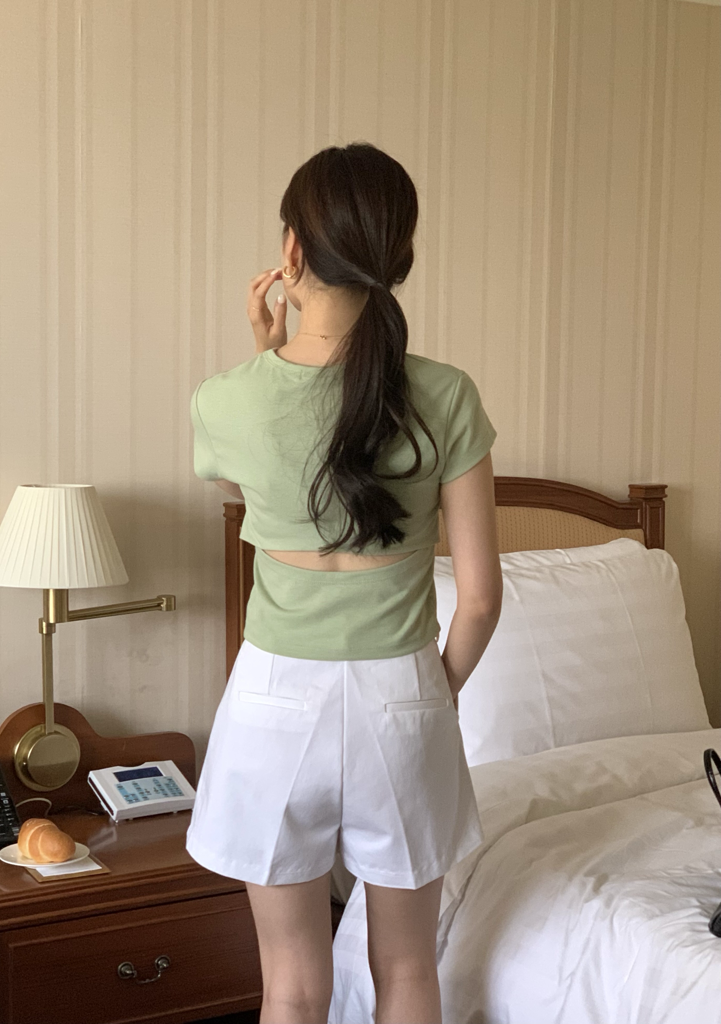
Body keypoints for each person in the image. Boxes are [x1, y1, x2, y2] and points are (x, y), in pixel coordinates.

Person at [186, 143, 503, 1024]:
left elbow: (253, 476)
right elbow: (480, 600)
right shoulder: (448, 395)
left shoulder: (225, 399)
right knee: (407, 970)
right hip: (401, 694)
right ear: (398, 256)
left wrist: (266, 354)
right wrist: (431, 693)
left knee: (291, 983)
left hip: (273, 701)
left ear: (291, 252)